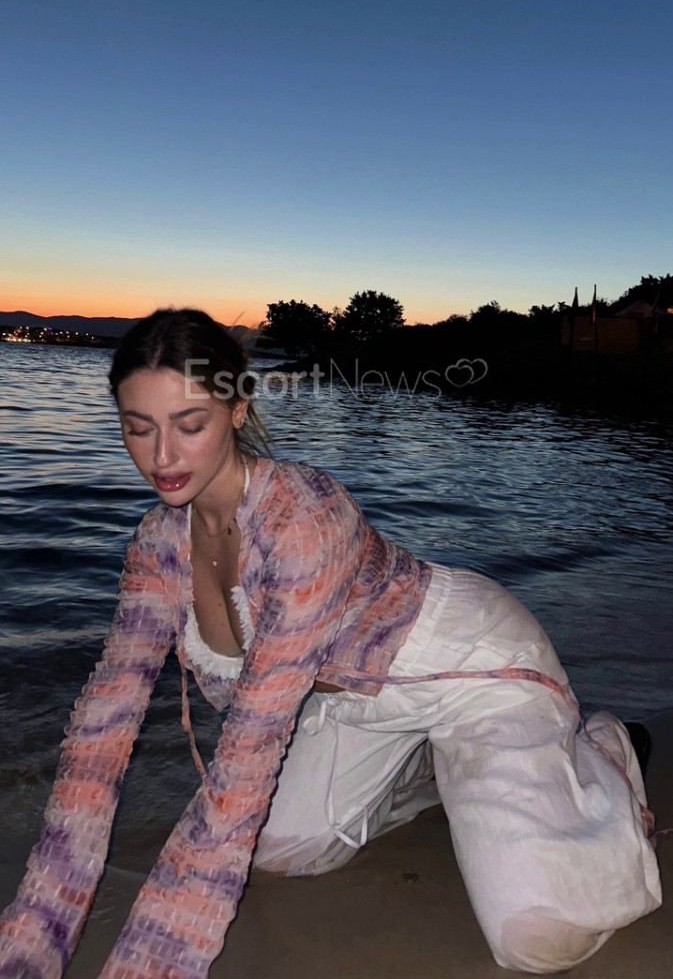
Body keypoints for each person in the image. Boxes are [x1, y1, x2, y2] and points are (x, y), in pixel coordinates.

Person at [0, 308, 661, 979]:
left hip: (475, 667)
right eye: (138, 428)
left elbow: (252, 745)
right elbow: (103, 725)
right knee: (280, 851)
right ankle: (430, 768)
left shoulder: (303, 513)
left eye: (188, 425)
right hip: (356, 702)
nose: (161, 457)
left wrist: (157, 959)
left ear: (236, 410)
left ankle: (603, 753)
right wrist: (34, 936)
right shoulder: (156, 545)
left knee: (537, 940)